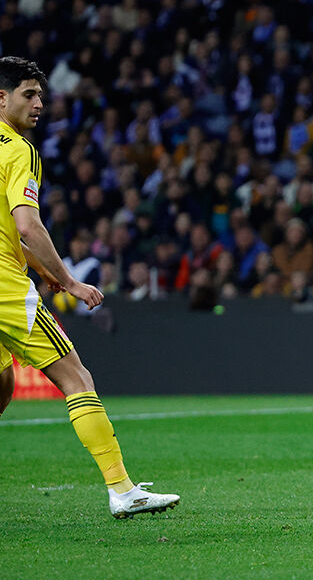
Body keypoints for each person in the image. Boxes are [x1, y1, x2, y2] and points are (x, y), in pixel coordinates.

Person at [0, 56, 179, 518]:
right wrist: (68, 281)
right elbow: (27, 225)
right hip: (3, 287)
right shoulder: (18, 150)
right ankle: (122, 490)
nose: (40, 103)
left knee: (1, 385)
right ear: (1, 98)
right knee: (76, 376)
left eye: (41, 94)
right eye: (28, 94)